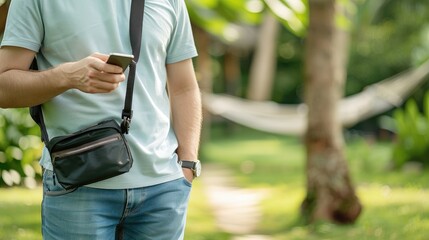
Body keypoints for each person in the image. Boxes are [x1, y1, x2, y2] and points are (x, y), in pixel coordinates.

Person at [0, 0, 202, 239]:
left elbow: (184, 88)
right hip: (77, 186)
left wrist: (187, 164)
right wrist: (66, 77)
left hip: (163, 190)